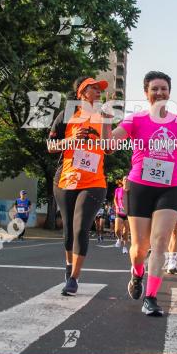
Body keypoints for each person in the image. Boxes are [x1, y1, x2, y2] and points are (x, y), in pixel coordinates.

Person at [109, 71, 177, 316]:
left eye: (164, 89)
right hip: (140, 186)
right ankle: (137, 274)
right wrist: (106, 123)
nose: (159, 93)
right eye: (154, 89)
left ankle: (151, 297)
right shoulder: (135, 119)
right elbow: (112, 142)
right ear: (146, 93)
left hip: (170, 188)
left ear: (169, 92)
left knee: (159, 242)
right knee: (139, 247)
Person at [47, 77, 112, 296]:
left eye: (99, 89)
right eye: (93, 88)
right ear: (81, 93)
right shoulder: (66, 115)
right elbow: (51, 147)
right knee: (67, 232)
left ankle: (74, 277)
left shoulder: (102, 116)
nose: (97, 92)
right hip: (66, 179)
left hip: (94, 182)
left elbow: (109, 149)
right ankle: (68, 267)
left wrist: (107, 121)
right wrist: (72, 139)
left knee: (80, 228)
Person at [114, 178, 129, 254]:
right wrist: (116, 206)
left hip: (128, 213)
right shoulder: (118, 190)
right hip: (119, 212)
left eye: (127, 180)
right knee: (117, 230)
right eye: (125, 179)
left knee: (126, 231)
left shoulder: (131, 191)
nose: (126, 181)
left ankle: (124, 247)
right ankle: (119, 239)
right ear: (122, 181)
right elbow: (115, 199)